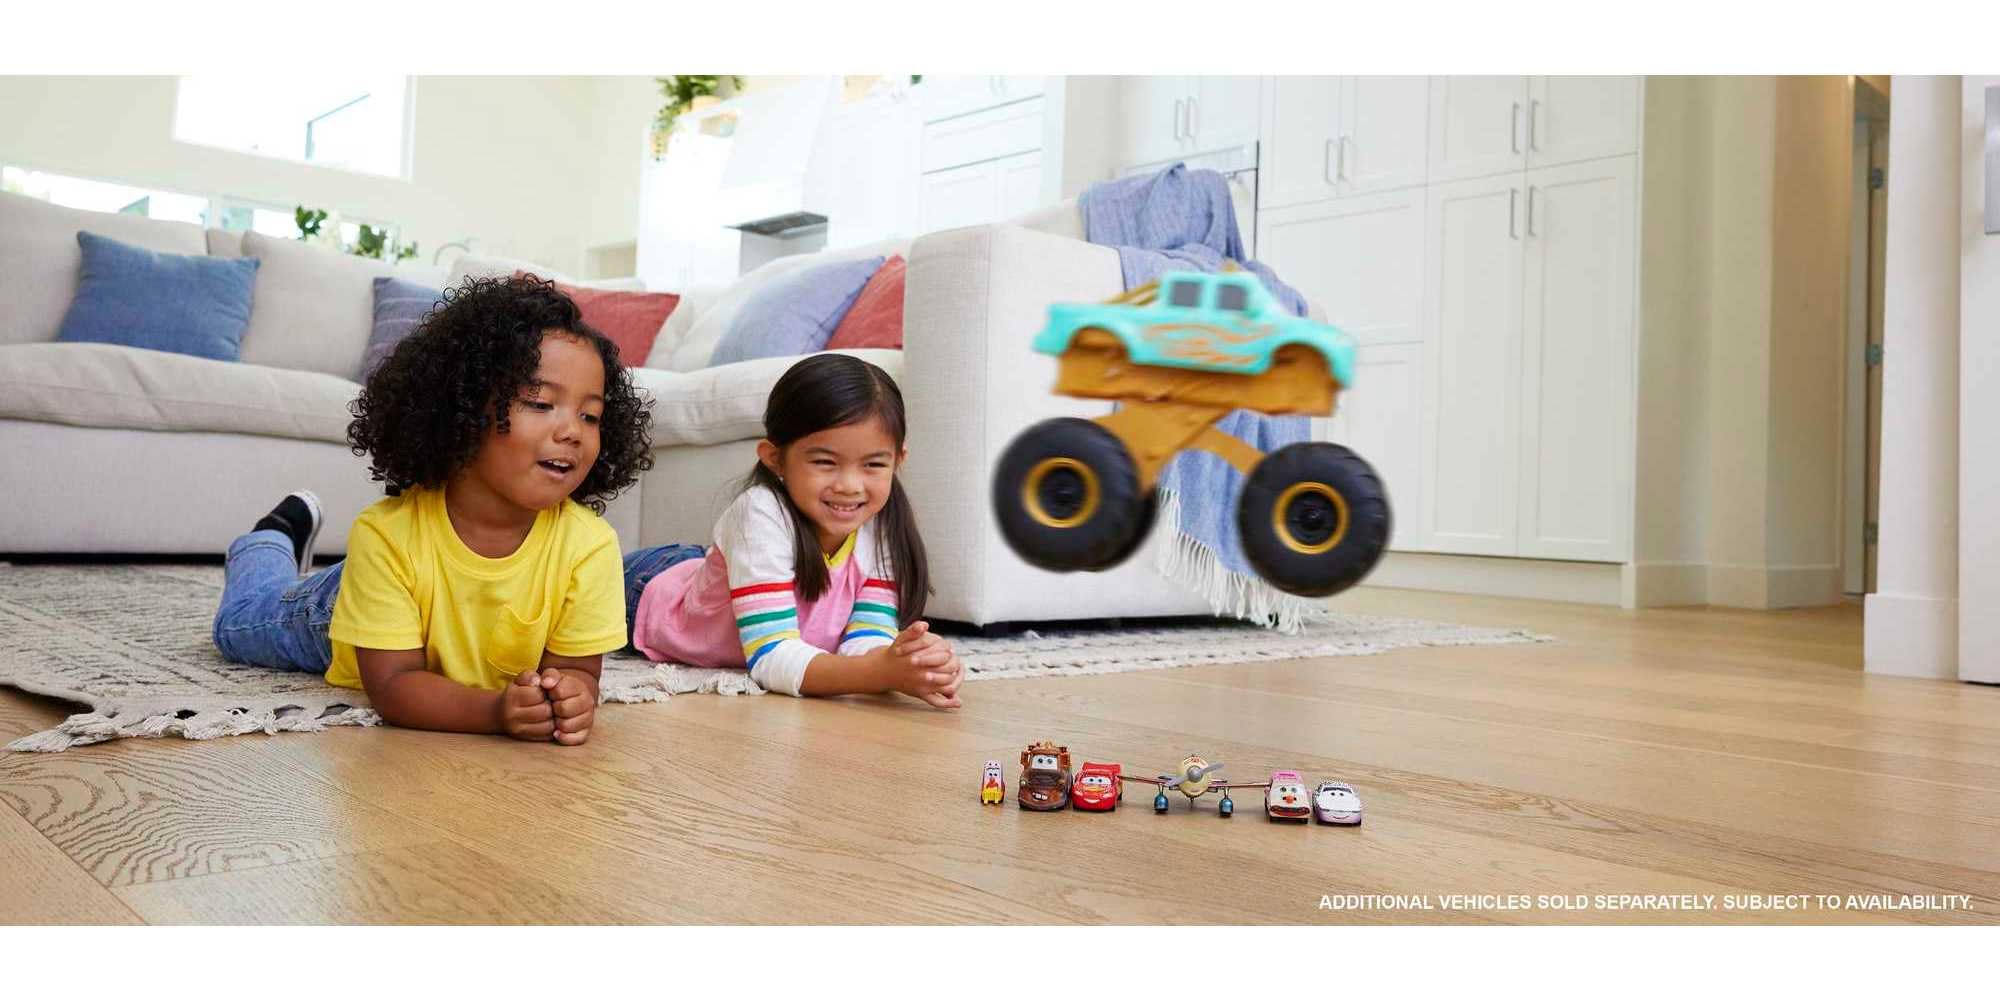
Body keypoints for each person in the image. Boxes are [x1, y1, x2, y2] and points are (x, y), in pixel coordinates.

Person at [210, 275, 653, 744]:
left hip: (408, 594)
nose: (573, 431)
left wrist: (569, 695)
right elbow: (393, 684)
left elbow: (578, 671)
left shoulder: (590, 546)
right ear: (462, 408)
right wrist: (494, 712)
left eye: (590, 415)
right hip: (340, 613)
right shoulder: (387, 536)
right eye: (541, 403)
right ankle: (271, 536)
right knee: (238, 624)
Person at [625, 353, 963, 708]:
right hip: (647, 584)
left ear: (898, 460)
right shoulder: (759, 512)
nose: (850, 486)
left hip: (721, 571)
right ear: (775, 458)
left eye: (874, 464)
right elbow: (771, 657)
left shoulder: (882, 520)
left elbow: (866, 636)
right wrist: (881, 674)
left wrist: (908, 661)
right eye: (825, 462)